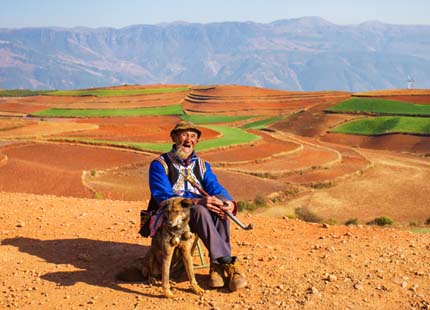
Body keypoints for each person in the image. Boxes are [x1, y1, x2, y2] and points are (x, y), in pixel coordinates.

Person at [147, 120, 247, 292]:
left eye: (193, 136)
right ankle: (226, 263)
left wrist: (228, 202)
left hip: (199, 216)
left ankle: (216, 269)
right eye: (184, 134)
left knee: (221, 209)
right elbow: (163, 197)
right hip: (172, 216)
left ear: (197, 141)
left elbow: (214, 186)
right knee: (200, 210)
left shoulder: (202, 165)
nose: (188, 140)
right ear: (174, 137)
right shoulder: (160, 164)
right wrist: (196, 202)